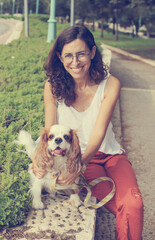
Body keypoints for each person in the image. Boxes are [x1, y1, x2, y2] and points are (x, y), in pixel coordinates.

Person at [43, 25, 143, 240]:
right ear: (60, 58)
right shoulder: (52, 87)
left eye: (81, 54)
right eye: (68, 55)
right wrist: (56, 168)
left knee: (134, 204)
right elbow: (50, 135)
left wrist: (79, 166)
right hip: (80, 160)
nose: (75, 62)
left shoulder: (110, 85)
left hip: (111, 156)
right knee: (123, 209)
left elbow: (98, 133)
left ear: (93, 52)